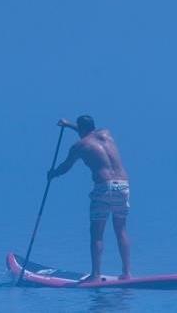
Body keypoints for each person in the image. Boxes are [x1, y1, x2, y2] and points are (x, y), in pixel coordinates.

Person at [47, 114, 131, 282]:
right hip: (123, 185)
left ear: (81, 129)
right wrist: (69, 125)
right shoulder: (106, 133)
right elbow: (86, 131)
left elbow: (66, 166)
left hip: (103, 187)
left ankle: (95, 275)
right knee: (120, 229)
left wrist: (53, 174)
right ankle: (127, 273)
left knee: (97, 233)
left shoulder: (79, 146)